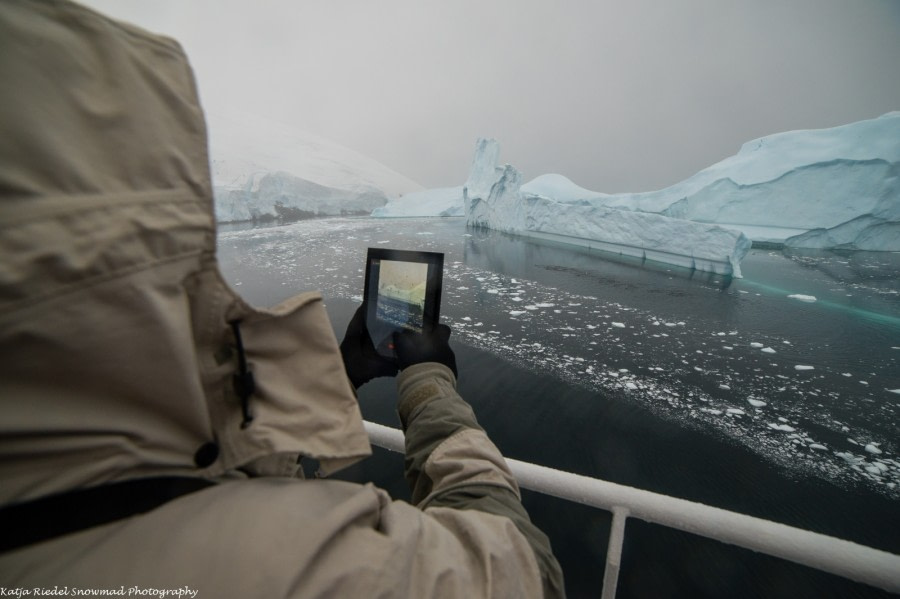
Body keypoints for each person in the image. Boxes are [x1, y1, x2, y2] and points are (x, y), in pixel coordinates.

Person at [0, 1, 564, 596]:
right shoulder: (268, 563)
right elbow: (521, 570)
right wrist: (426, 381)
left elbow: (232, 479)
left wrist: (340, 374)